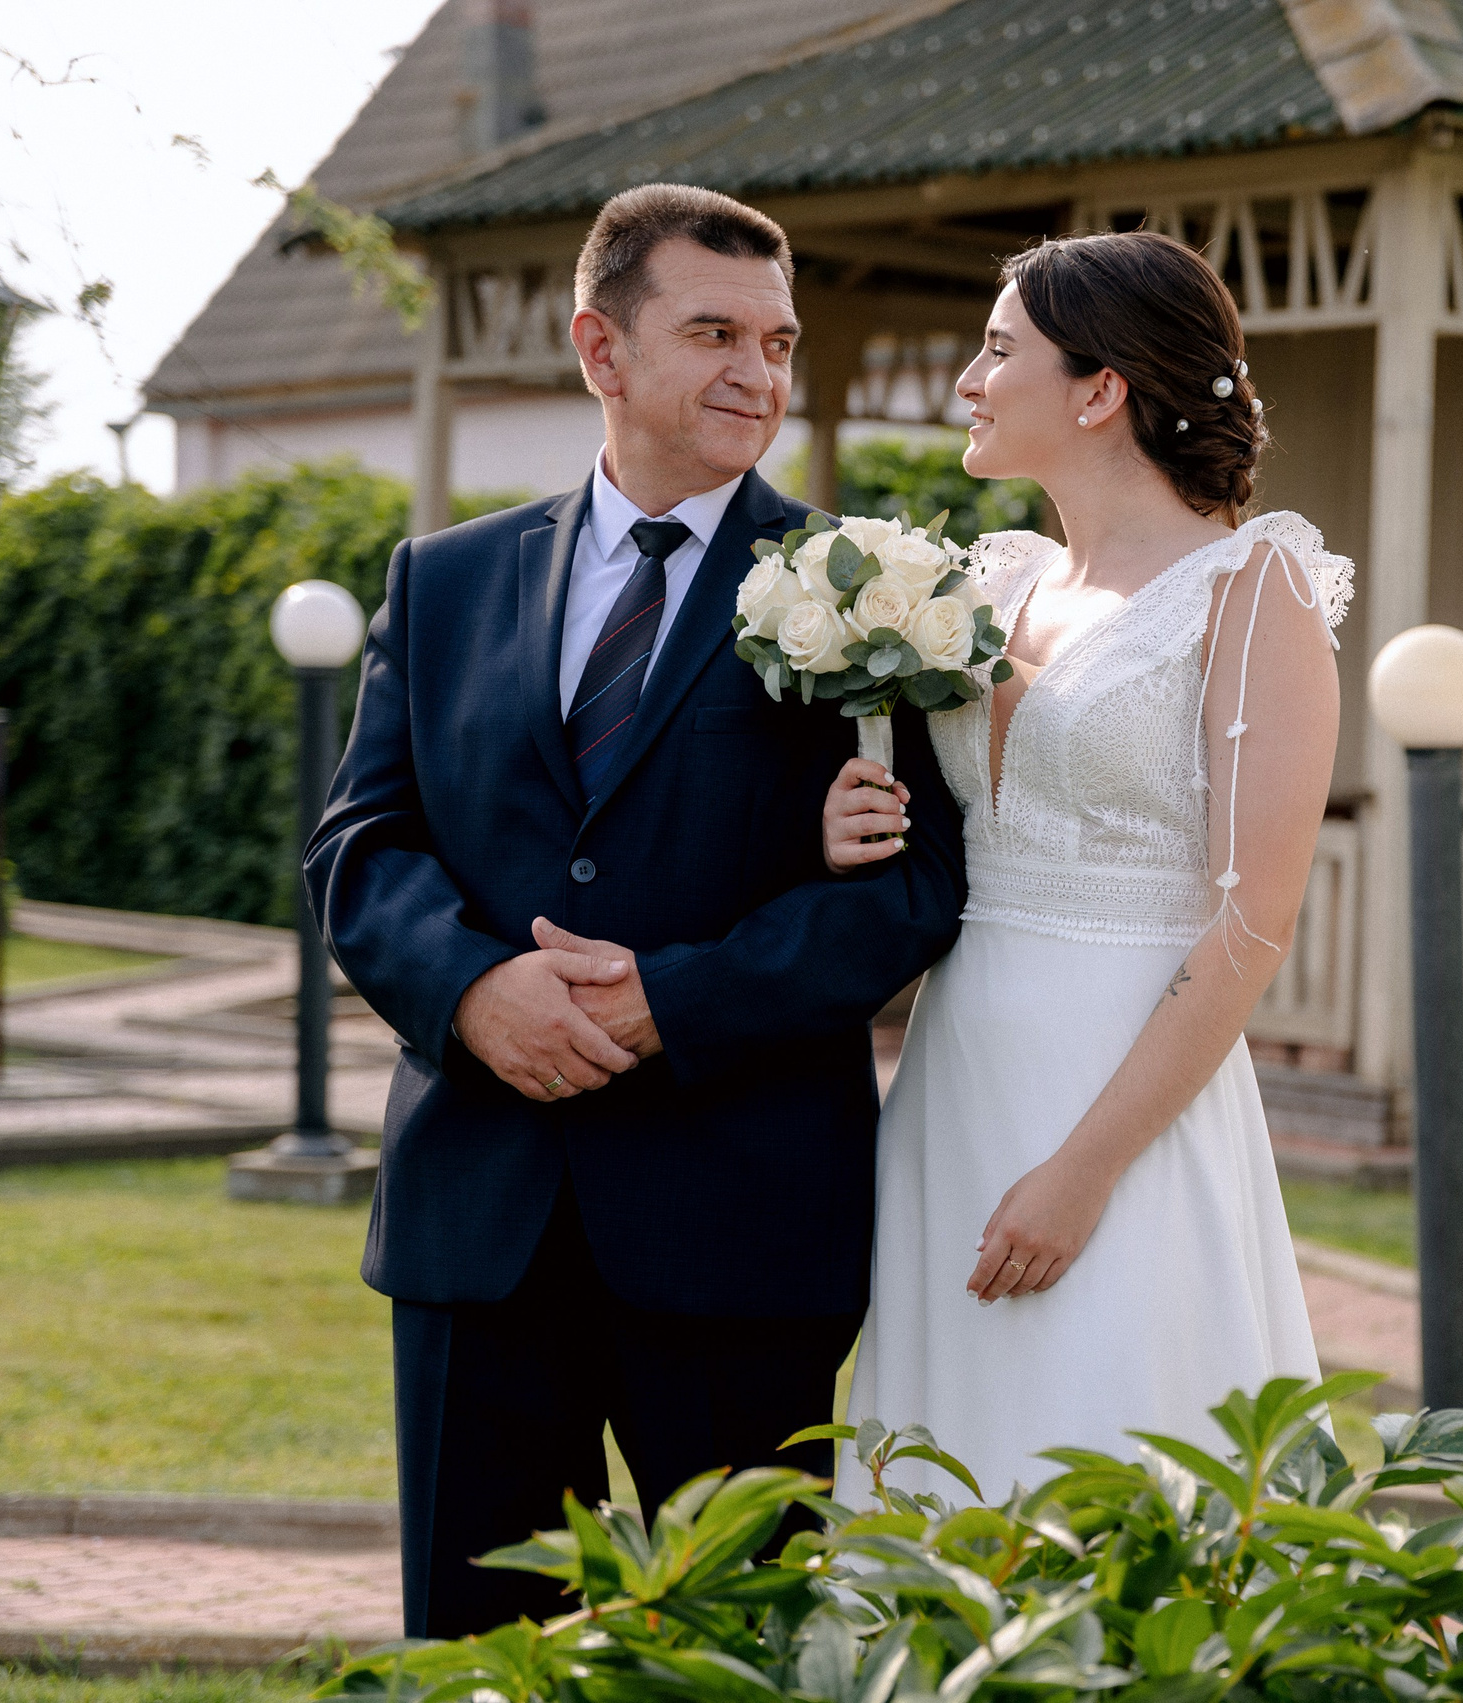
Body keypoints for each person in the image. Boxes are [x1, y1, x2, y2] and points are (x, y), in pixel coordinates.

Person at [303, 183, 966, 1637]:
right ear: (602, 348)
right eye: (715, 331)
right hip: (481, 1215)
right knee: (474, 1653)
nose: (759, 372)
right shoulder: (444, 579)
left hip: (739, 1222)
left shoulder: (873, 596)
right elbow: (360, 844)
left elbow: (918, 886)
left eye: (779, 340)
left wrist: (676, 998)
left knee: (733, 1653)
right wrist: (476, 991)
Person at [823, 231, 1346, 1500]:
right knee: (947, 1450)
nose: (967, 379)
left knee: (1104, 1430)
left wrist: (1085, 1168)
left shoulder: (1249, 592)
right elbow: (949, 838)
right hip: (955, 1078)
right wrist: (848, 815)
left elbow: (1249, 928)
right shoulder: (991, 583)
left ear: (1099, 389)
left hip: (1121, 1100)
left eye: (998, 350)